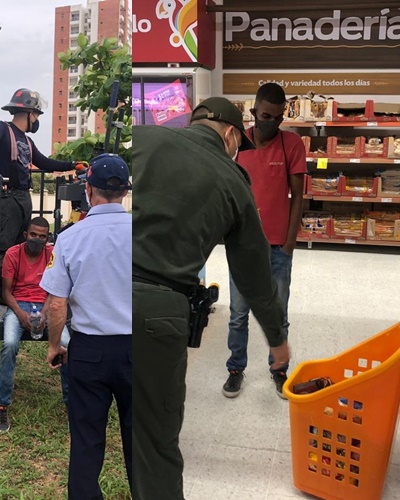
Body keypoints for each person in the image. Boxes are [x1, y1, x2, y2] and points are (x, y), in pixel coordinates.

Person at [131, 97, 292, 499]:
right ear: (230, 133)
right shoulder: (232, 178)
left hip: (102, 300)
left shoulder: (142, 137)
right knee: (156, 443)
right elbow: (253, 275)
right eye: (240, 143)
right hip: (161, 311)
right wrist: (277, 338)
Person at [40, 153, 133, 499]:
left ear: (88, 189)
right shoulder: (144, 235)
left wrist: (54, 346)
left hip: (89, 351)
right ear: (124, 191)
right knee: (140, 440)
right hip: (136, 350)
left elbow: (58, 303)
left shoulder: (70, 238)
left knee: (86, 439)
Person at [223, 83, 307, 400]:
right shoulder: (237, 143)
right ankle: (235, 369)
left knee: (277, 314)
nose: (270, 121)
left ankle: (278, 370)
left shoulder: (292, 144)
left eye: (276, 116)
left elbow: (298, 195)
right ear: (254, 111)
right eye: (265, 115)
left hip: (278, 248)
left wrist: (289, 242)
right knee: (238, 314)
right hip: (243, 248)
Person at [0, 88, 87, 256]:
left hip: (23, 198)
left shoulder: (27, 140)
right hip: (6, 199)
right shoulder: (2, 129)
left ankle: (17, 281)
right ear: (30, 113)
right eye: (37, 115)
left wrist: (72, 165)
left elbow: (44, 162)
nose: (37, 119)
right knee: (2, 247)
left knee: (21, 246)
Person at [0, 217, 70, 433]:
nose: (37, 239)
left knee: (67, 344)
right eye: (33, 234)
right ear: (26, 235)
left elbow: (55, 290)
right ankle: (2, 404)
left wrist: (45, 314)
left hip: (46, 304)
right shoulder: (13, 254)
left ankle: (71, 404)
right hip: (19, 305)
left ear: (48, 238)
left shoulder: (51, 254)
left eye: (42, 236)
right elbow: (6, 292)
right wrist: (21, 315)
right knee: (9, 344)